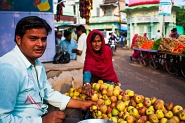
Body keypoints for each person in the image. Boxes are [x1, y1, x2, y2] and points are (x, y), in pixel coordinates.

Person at [0, 16, 96, 123]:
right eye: (33, 39)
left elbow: (48, 94)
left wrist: (82, 104)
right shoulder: (9, 69)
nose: (40, 44)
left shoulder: (37, 63)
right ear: (19, 39)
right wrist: (42, 121)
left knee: (75, 110)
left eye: (43, 39)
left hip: (40, 111)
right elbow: (2, 118)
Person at [83, 30, 120, 96]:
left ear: (102, 41)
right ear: (90, 43)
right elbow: (88, 69)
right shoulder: (90, 53)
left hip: (109, 83)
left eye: (99, 41)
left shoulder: (107, 51)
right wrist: (86, 83)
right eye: (94, 41)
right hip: (94, 85)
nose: (97, 44)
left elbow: (110, 70)